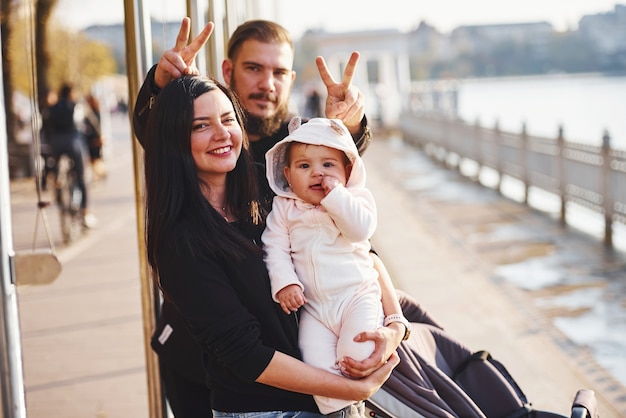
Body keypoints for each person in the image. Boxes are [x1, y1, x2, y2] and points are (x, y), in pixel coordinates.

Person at [134, 18, 423, 417]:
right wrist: (162, 88)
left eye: (279, 72)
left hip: (307, 373)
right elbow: (164, 132)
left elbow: (357, 248)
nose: (267, 83)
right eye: (254, 68)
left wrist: (393, 326)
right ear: (228, 72)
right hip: (218, 370)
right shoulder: (187, 231)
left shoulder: (277, 176)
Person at [262, 117, 407, 415]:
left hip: (356, 297)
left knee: (356, 352)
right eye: (304, 166)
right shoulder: (285, 209)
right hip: (314, 309)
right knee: (317, 368)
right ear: (288, 175)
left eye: (328, 165)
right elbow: (274, 247)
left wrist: (336, 196)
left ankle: (362, 401)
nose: (317, 173)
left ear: (348, 170)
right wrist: (285, 282)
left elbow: (360, 230)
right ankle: (344, 412)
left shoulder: (354, 199)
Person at [47, 82, 97, 228]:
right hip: (74, 142)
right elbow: (92, 122)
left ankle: (58, 188)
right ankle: (86, 211)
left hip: (56, 143)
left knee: (57, 169)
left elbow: (46, 127)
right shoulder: (77, 105)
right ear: (71, 93)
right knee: (82, 176)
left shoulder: (52, 108)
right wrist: (98, 136)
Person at [81, 94, 107, 181]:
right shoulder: (92, 112)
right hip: (92, 138)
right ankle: (98, 174)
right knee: (93, 158)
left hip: (94, 138)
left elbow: (96, 127)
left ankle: (101, 173)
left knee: (95, 158)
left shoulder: (93, 113)